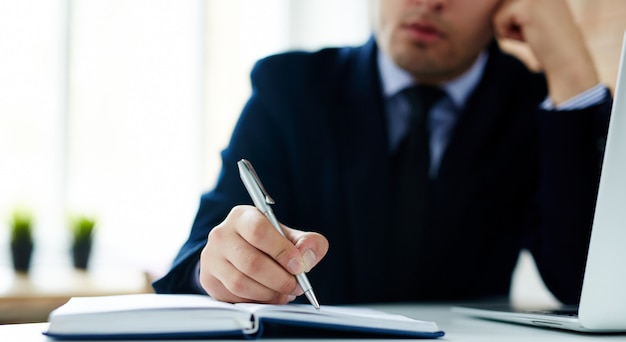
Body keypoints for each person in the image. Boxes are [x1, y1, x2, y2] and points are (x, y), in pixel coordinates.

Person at [153, 0, 612, 306]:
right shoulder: (290, 88)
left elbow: (583, 283)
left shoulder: (535, 107)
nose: (428, 1)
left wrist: (568, 61)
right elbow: (194, 259)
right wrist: (218, 269)